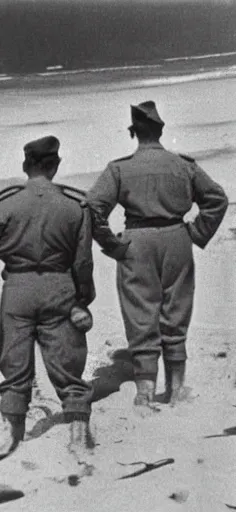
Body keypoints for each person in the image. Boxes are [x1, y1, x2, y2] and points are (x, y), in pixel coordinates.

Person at [87, 101, 228, 410]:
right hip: (177, 238)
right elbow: (217, 199)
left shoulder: (119, 168)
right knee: (176, 311)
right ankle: (176, 389)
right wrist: (196, 233)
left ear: (133, 132)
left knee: (141, 313)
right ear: (161, 130)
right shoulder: (184, 165)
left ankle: (144, 392)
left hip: (136, 242)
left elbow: (92, 210)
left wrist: (112, 245)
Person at [0, 135, 96, 453]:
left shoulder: (3, 204)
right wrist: (82, 299)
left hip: (17, 291)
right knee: (67, 364)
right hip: (59, 287)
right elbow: (83, 261)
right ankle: (78, 435)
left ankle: (11, 435)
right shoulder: (76, 205)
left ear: (25, 165)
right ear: (56, 165)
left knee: (14, 365)